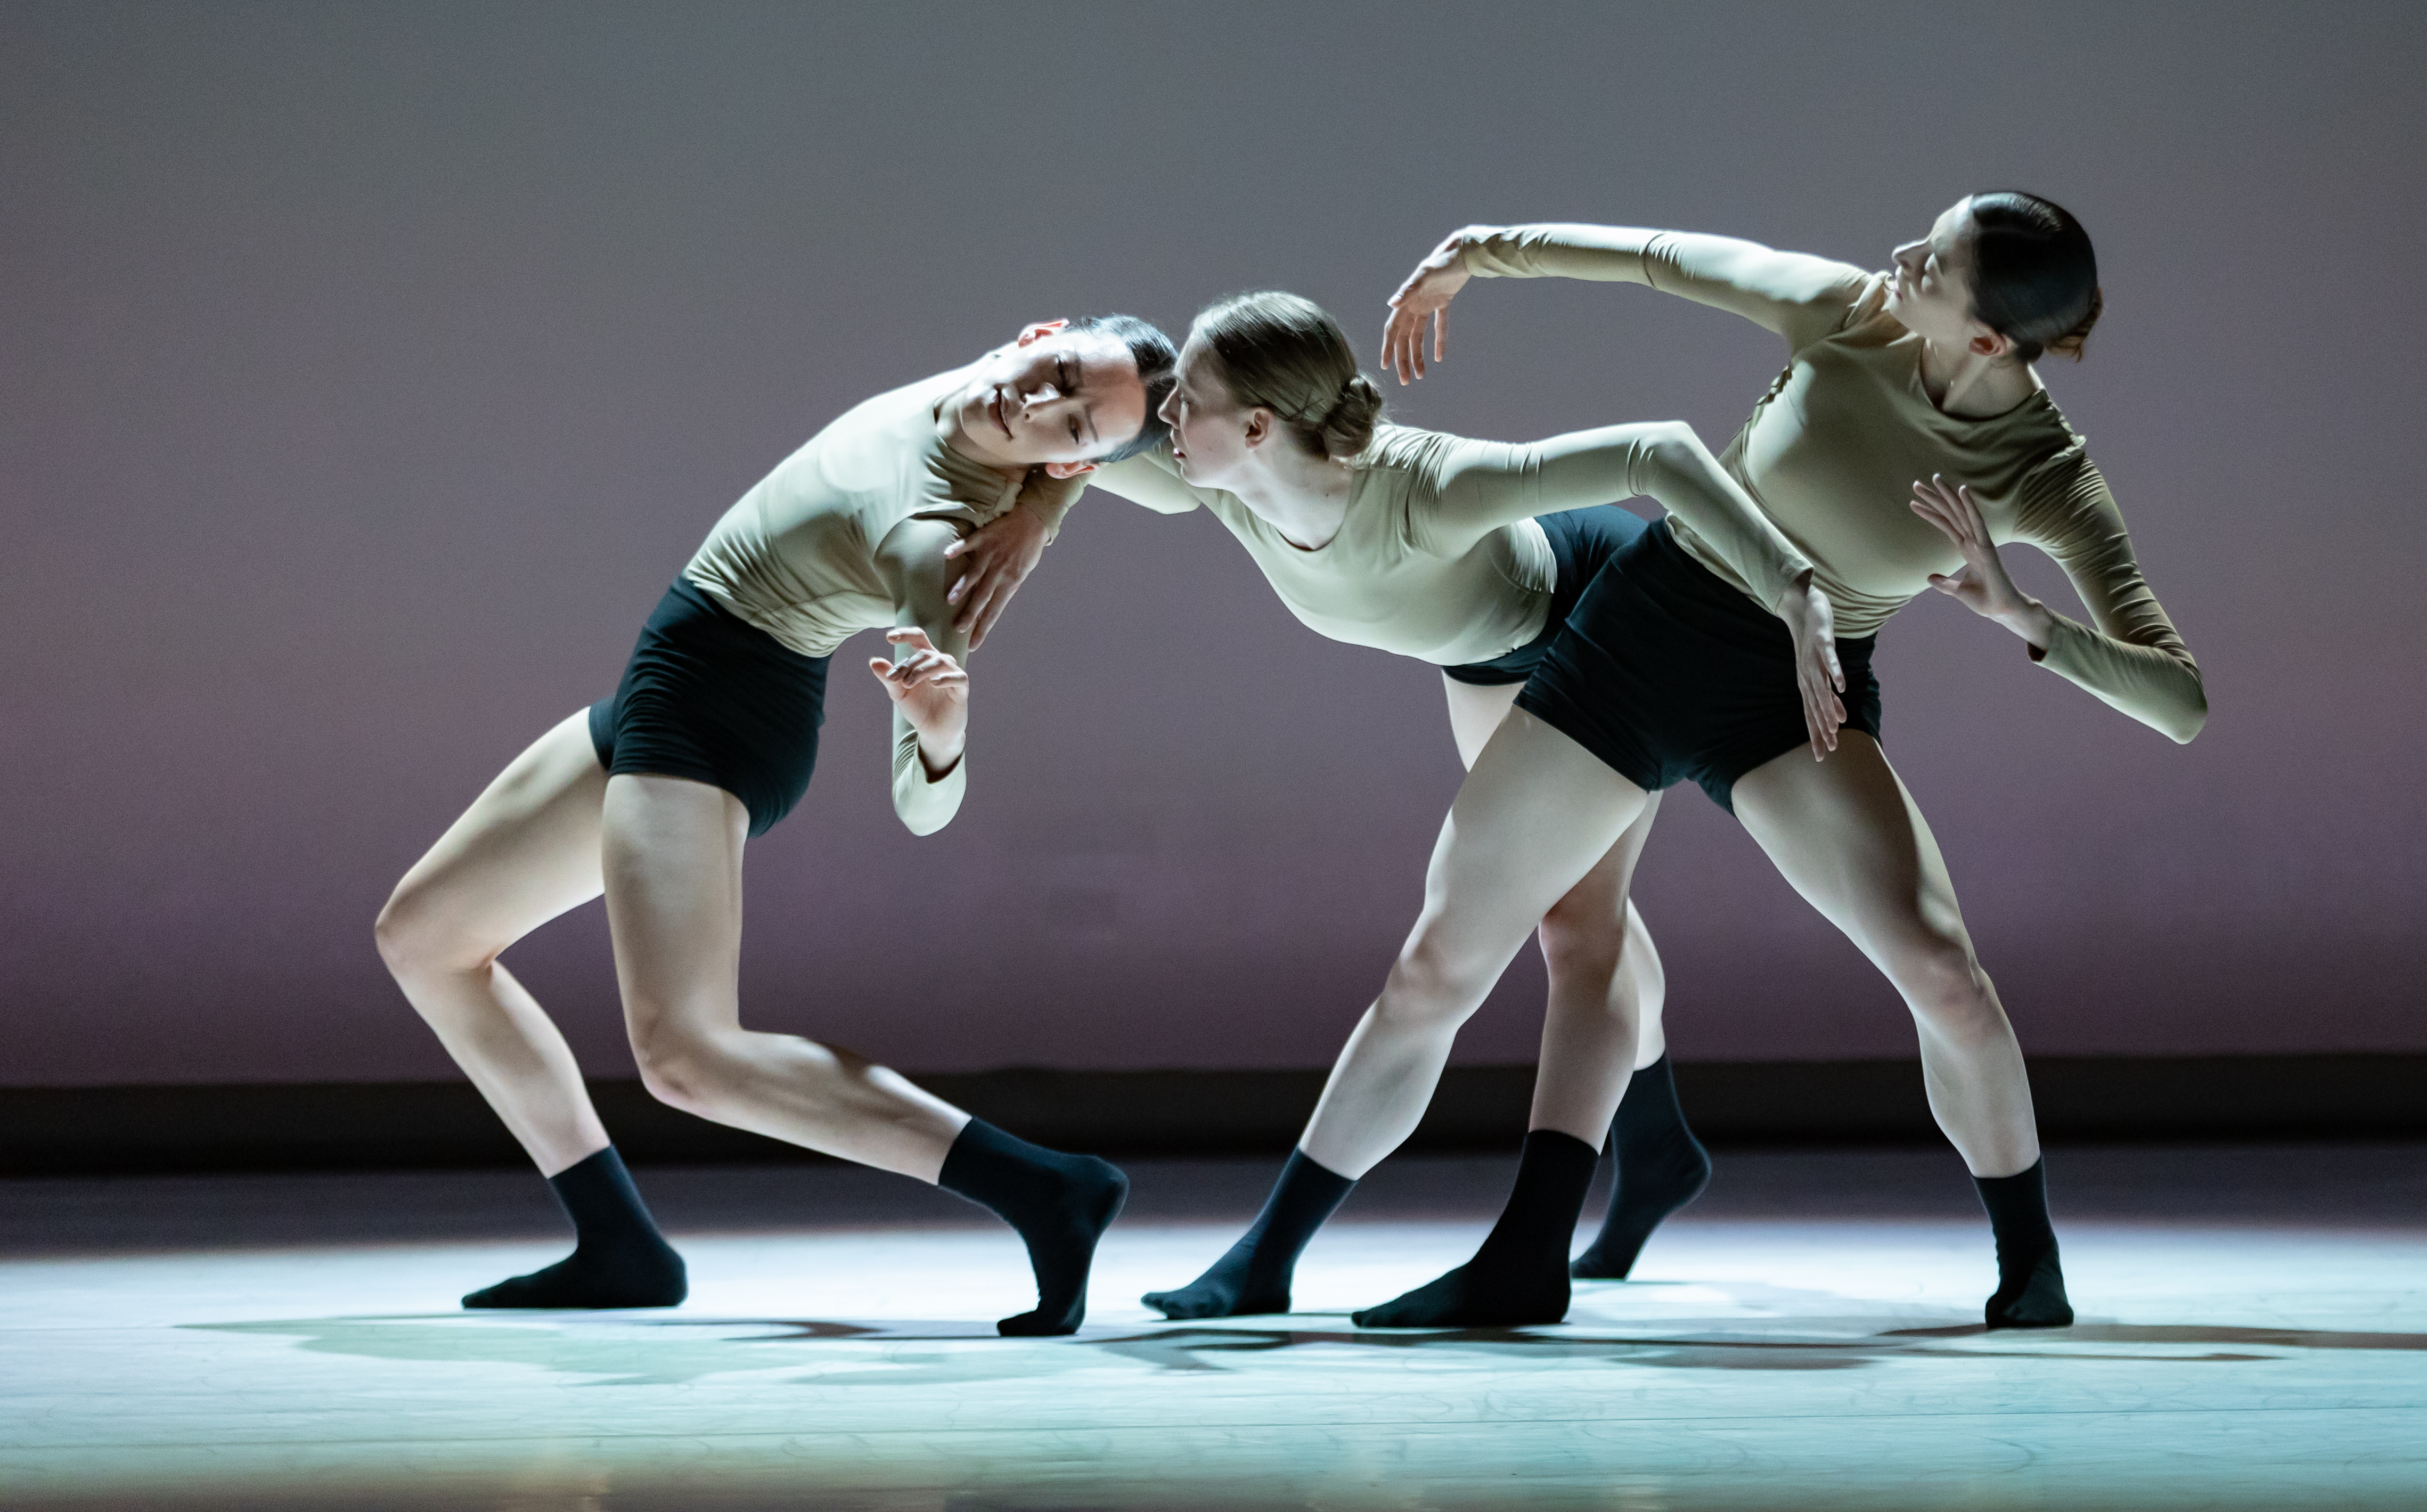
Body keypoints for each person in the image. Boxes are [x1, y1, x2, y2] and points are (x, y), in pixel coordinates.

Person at [1340, 194, 2206, 1329]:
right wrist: (1474, 255)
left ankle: (2028, 1263)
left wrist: (2020, 613)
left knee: (1945, 971)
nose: (1902, 257)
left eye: (1933, 266)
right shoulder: (1853, 312)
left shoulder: (2042, 472)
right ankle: (1506, 1259)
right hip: (1640, 635)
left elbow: (2178, 699)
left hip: (1795, 696)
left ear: (1989, 341)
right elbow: (1665, 260)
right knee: (1450, 953)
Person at [373, 315, 1176, 1336]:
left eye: (1067, 426)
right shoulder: (995, 396)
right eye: (1055, 373)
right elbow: (1099, 408)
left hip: (717, 717)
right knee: (427, 938)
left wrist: (941, 735)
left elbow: (925, 811)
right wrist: (1054, 503)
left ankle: (1044, 1187)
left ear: (1069, 456)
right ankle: (616, 1242)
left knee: (688, 1056)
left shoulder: (937, 539)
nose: (1035, 405)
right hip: (667, 677)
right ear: (1040, 331)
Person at [1089, 291, 1832, 1317]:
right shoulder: (1223, 481)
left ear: (1258, 426)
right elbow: (1086, 444)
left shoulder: (1426, 486)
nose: (1168, 420)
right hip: (1490, 652)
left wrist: (1792, 585)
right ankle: (1655, 1147)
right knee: (1559, 909)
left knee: (1554, 932)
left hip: (1602, 623)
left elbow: (1657, 452)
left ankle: (1273, 1257)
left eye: (1190, 403)